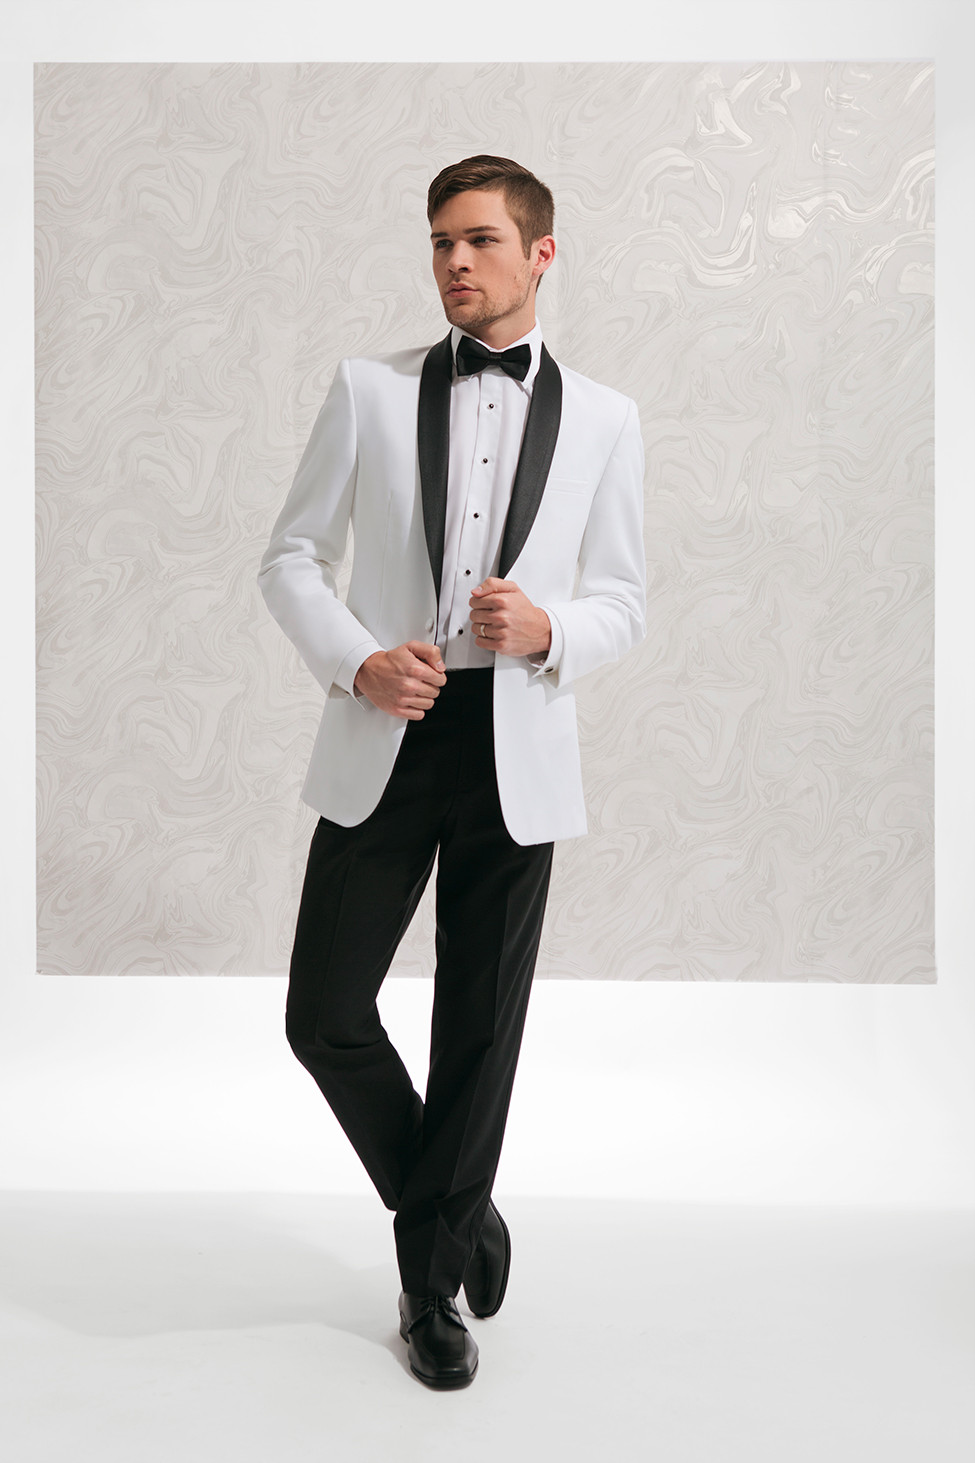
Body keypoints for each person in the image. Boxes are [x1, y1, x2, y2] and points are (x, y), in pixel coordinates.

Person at [258, 155, 646, 1389]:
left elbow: (625, 598)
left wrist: (552, 628)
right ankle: (459, 1209)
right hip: (392, 726)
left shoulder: (607, 418)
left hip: (516, 742)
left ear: (541, 254)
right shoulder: (367, 389)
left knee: (479, 1024)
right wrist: (359, 661)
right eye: (440, 242)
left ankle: (430, 1290)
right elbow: (290, 557)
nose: (455, 262)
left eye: (479, 239)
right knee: (324, 1012)